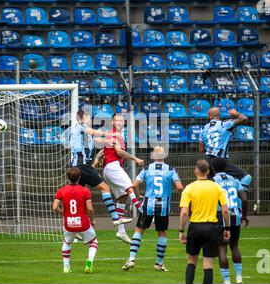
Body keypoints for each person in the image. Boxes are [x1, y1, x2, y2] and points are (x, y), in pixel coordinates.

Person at [122, 146, 183, 272]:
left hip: (148, 205)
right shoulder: (171, 170)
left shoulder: (146, 169)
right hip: (163, 206)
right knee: (162, 232)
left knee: (139, 230)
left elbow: (134, 185)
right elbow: (179, 187)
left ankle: (131, 259)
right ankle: (159, 263)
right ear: (164, 156)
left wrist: (139, 195)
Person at [66, 110, 132, 227]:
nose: (91, 120)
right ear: (83, 118)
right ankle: (116, 218)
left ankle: (73, 224)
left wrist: (107, 141)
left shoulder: (81, 132)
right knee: (105, 187)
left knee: (79, 196)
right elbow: (93, 132)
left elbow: (96, 140)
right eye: (89, 117)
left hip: (77, 166)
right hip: (83, 166)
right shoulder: (80, 126)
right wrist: (111, 135)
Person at [93, 113, 144, 244]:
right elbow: (119, 152)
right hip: (113, 166)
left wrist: (96, 160)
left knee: (122, 196)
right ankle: (143, 212)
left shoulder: (114, 135)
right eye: (116, 120)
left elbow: (103, 151)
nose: (119, 122)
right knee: (130, 188)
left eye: (121, 120)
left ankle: (121, 231)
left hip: (108, 169)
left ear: (124, 122)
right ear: (113, 122)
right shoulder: (115, 134)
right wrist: (135, 159)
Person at [179, 160, 230, 284]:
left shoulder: (189, 188)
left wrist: (181, 230)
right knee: (208, 264)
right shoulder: (217, 187)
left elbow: (184, 213)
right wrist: (227, 228)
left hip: (195, 227)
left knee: (191, 261)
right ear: (208, 171)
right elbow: (225, 211)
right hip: (212, 228)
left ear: (195, 170)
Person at [53, 167, 98, 274]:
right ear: (79, 178)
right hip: (83, 223)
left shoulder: (61, 190)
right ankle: (89, 260)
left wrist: (64, 214)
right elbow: (90, 208)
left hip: (69, 223)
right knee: (93, 242)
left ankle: (66, 267)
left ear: (67, 178)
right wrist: (92, 220)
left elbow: (55, 207)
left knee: (67, 242)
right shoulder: (85, 190)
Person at [212, 158, 249, 284]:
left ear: (213, 168)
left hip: (222, 216)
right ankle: (239, 278)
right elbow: (244, 199)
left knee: (222, 248)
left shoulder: (213, 181)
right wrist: (244, 215)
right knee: (234, 246)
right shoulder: (235, 180)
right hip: (236, 216)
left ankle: (227, 281)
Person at [199, 107, 252, 190]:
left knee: (209, 188)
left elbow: (201, 149)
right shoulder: (225, 125)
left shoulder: (203, 129)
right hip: (221, 162)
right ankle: (238, 197)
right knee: (246, 177)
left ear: (210, 116)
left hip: (208, 162)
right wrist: (236, 114)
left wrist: (211, 148)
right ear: (218, 115)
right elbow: (244, 118)